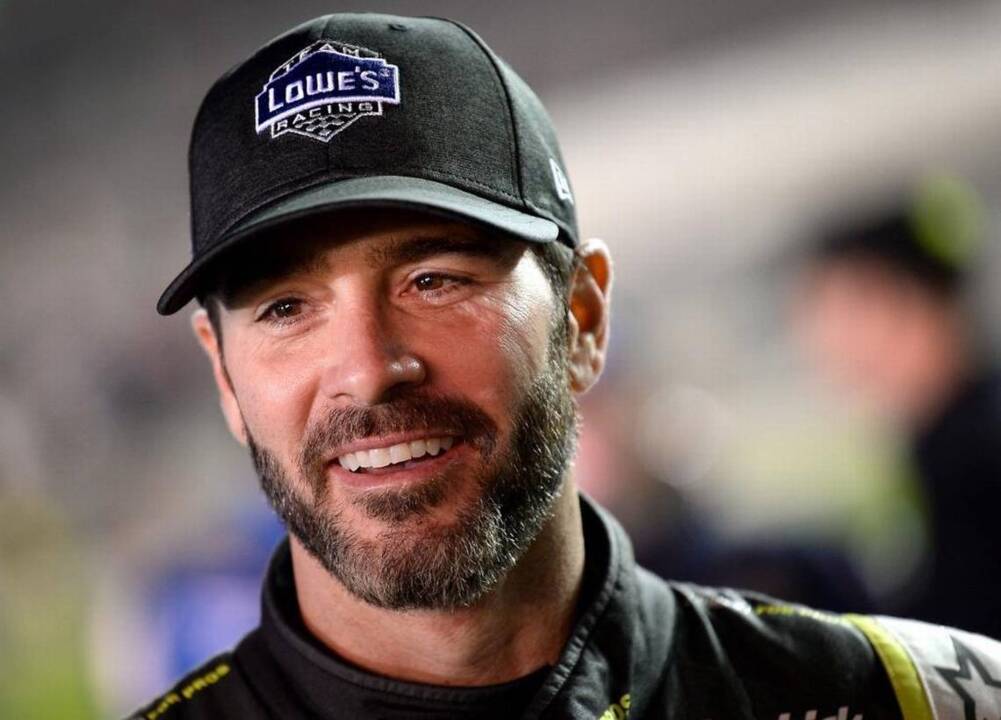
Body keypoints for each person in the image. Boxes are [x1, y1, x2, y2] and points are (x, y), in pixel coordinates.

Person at [131, 14, 1001, 720]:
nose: (366, 369)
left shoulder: (929, 701)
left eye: (434, 280)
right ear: (225, 379)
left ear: (583, 318)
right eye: (286, 309)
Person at [794, 177, 1001, 638]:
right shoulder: (935, 449)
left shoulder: (978, 449)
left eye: (846, 310)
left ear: (907, 300)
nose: (827, 345)